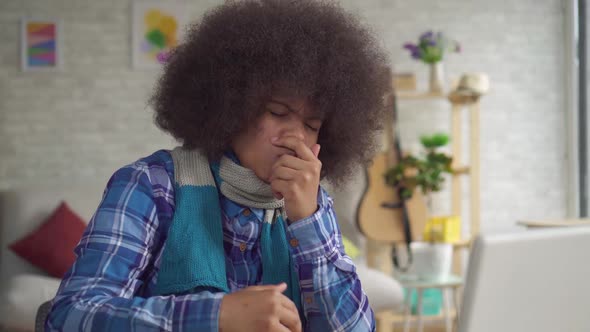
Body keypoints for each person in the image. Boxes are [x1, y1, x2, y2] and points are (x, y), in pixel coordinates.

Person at [45, 0, 391, 331]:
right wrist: (216, 316)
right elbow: (70, 315)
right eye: (278, 112)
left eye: (311, 125)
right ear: (233, 106)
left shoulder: (313, 205)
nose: (295, 136)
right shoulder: (151, 185)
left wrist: (309, 222)